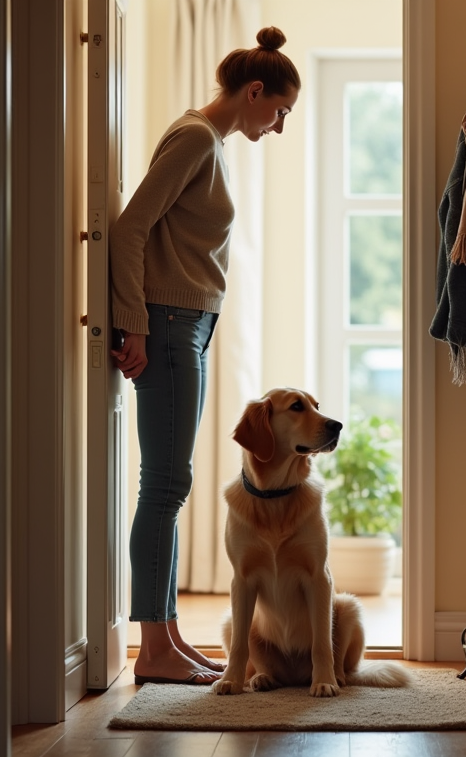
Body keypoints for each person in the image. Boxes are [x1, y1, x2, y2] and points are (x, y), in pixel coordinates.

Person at [108, 27, 301, 685]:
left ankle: (167, 639)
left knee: (171, 483)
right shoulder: (195, 137)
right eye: (278, 112)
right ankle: (154, 651)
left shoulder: (208, 143)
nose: (278, 127)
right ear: (255, 92)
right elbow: (131, 226)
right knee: (164, 484)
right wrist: (132, 325)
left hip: (186, 323)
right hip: (166, 323)